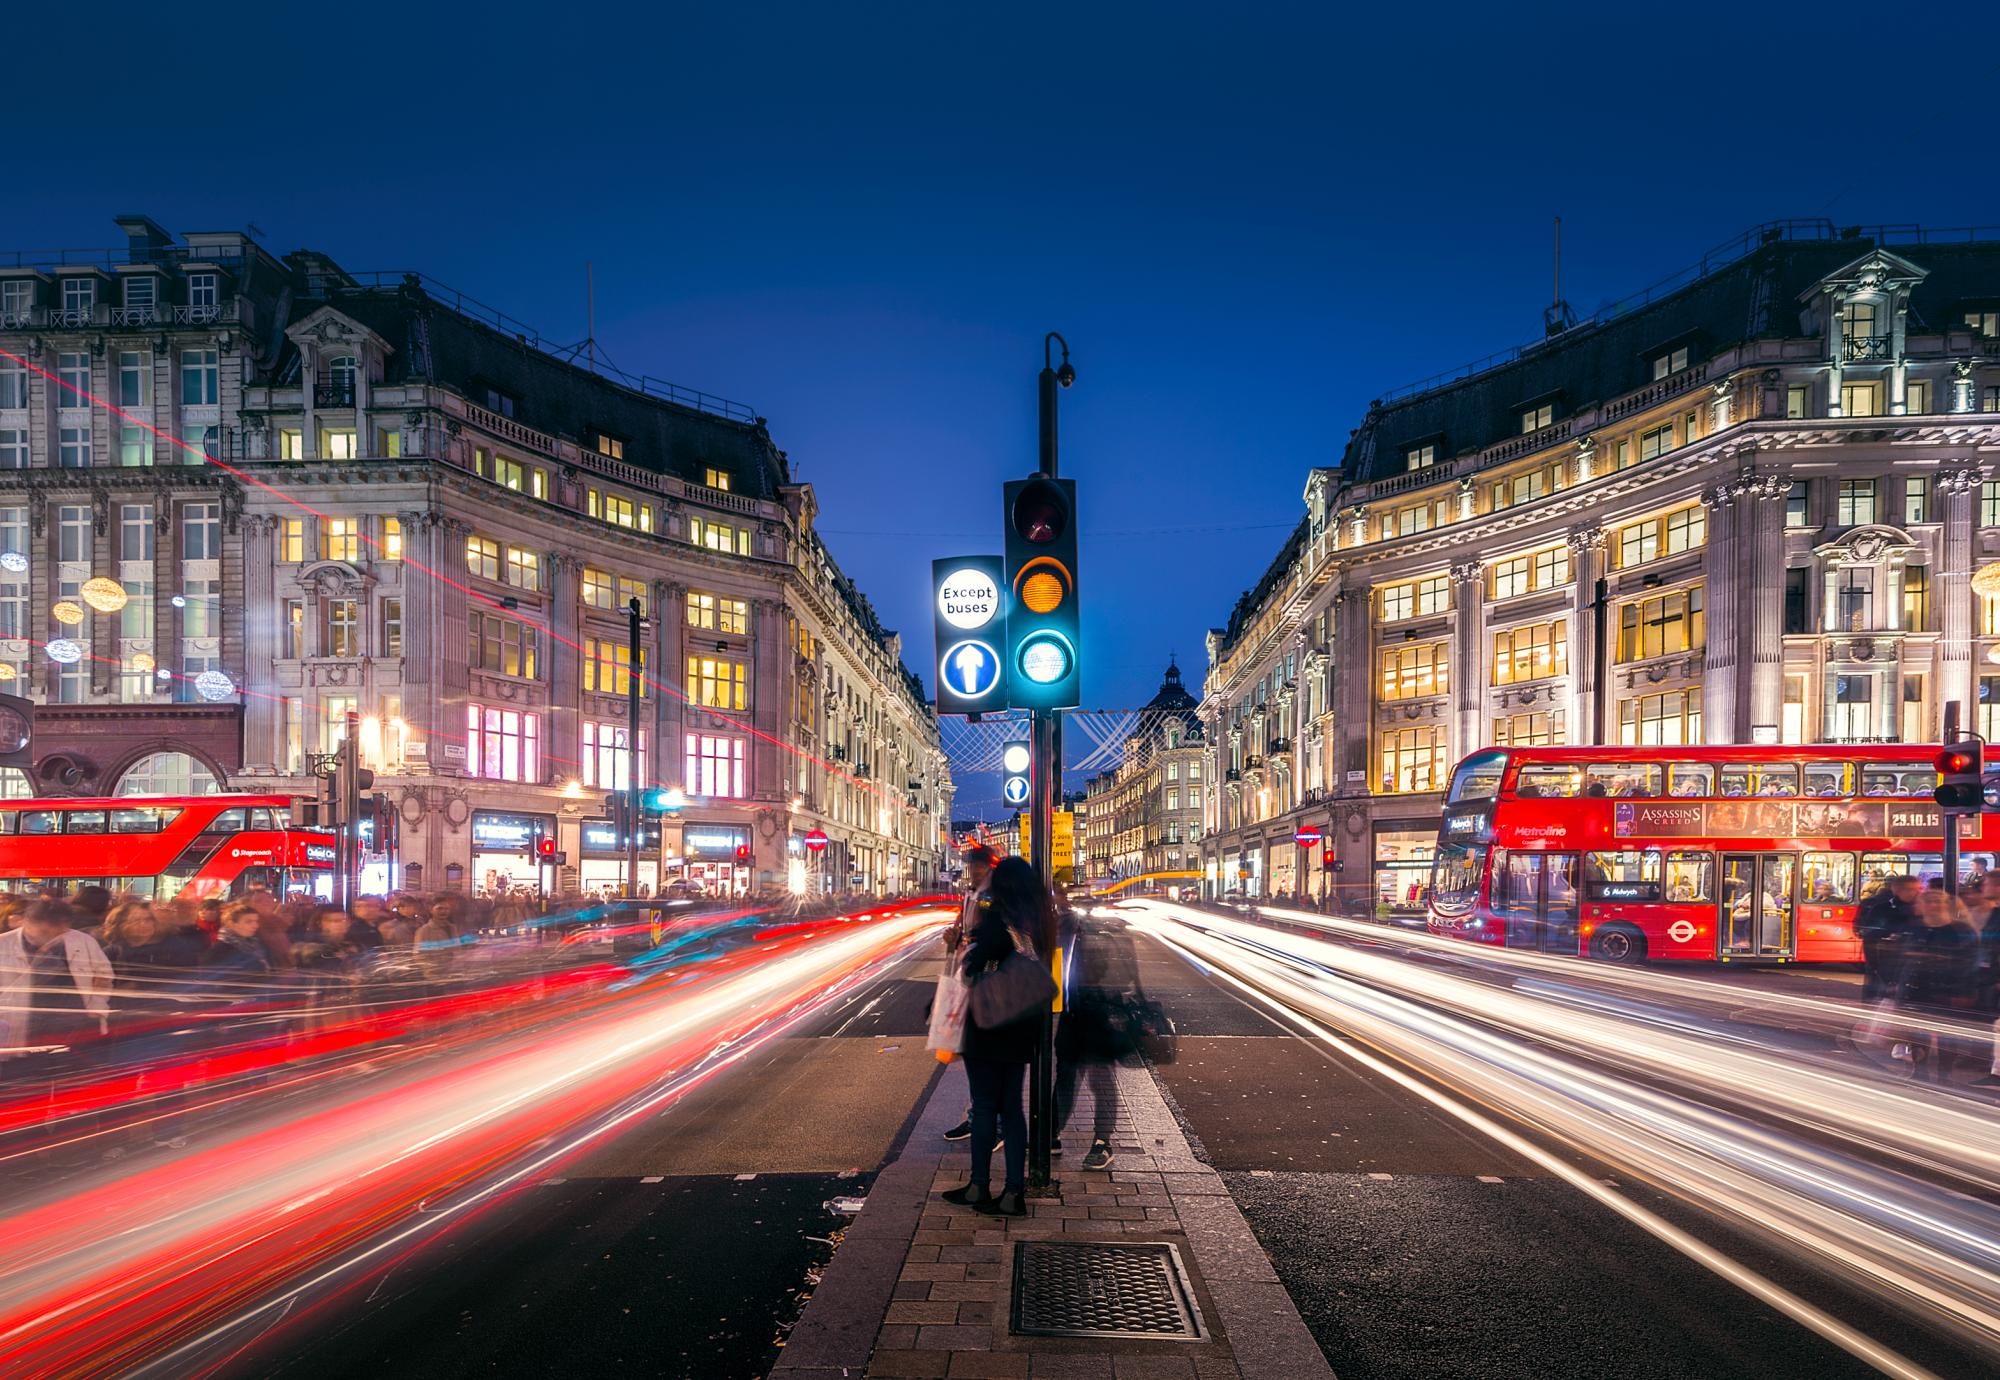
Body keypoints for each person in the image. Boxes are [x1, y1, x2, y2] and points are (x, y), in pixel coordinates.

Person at [941, 856, 1054, 1217]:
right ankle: (1013, 1192)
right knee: (1013, 1109)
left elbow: (974, 964)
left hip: (988, 1020)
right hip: (1020, 1023)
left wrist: (963, 944)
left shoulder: (998, 917)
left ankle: (978, 1186)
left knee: (985, 1105)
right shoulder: (1037, 921)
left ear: (1001, 884)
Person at [0, 899, 114, 1072]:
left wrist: (97, 1005)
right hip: (21, 1024)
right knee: (22, 1073)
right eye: (44, 932)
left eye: (59, 932)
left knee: (69, 1073)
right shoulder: (4, 944)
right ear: (27, 922)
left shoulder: (83, 941)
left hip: (74, 1023)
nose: (51, 938)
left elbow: (103, 974)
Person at [941, 846, 997, 1145]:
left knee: (986, 1056)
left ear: (989, 867)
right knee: (974, 1054)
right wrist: (954, 937)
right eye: (971, 865)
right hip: (968, 977)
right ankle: (978, 1116)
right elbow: (962, 930)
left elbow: (996, 939)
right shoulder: (970, 894)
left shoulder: (993, 897)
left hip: (986, 982)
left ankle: (993, 1122)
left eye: (978, 866)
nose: (973, 870)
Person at [1856, 875, 1920, 1002]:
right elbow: (1870, 934)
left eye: (1917, 889)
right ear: (1897, 890)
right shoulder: (1881, 908)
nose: (1914, 893)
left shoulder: (1921, 909)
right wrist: (1890, 935)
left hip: (1909, 968)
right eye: (1909, 889)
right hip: (1885, 963)